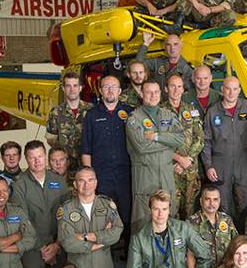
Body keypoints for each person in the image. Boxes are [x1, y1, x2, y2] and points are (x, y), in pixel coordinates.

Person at [10, 140, 67, 268]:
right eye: (32, 158)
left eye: (40, 156)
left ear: (46, 156)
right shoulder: (19, 185)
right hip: (33, 249)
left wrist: (57, 245)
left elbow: (67, 216)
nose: (37, 161)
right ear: (26, 159)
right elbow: (22, 221)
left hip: (58, 245)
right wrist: (43, 249)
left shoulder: (58, 181)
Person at [126, 80, 185, 233]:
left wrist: (157, 136)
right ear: (141, 94)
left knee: (169, 220)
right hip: (145, 177)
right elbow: (141, 146)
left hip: (166, 176)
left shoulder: (168, 115)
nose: (153, 95)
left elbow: (180, 138)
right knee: (142, 222)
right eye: (149, 92)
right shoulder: (134, 118)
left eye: (156, 92)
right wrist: (168, 142)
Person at [201, 76, 247, 219]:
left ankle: (245, 232)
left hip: (242, 160)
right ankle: (225, 232)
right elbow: (206, 141)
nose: (231, 92)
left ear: (239, 90)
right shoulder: (213, 112)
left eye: (234, 89)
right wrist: (208, 166)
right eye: (228, 88)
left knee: (246, 201)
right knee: (223, 204)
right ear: (222, 90)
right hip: (220, 163)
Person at [81, 75, 133, 231]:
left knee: (127, 217)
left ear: (120, 91)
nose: (110, 90)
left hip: (126, 175)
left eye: (114, 87)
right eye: (106, 87)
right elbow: (86, 148)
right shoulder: (91, 115)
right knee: (103, 219)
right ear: (101, 91)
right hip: (101, 176)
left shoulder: (130, 112)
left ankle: (128, 247)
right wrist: (90, 177)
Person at [164, 72, 203, 218]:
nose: (176, 90)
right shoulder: (159, 112)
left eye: (179, 86)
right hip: (169, 169)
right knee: (170, 211)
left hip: (190, 170)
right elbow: (157, 142)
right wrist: (178, 159)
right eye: (172, 86)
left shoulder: (191, 111)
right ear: (166, 89)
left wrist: (187, 159)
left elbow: (200, 138)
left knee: (190, 213)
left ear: (183, 89)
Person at [45, 72, 92, 182]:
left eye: (75, 85)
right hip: (65, 169)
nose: (72, 89)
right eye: (68, 86)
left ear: (80, 88)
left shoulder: (91, 110)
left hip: (87, 166)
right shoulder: (56, 113)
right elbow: (51, 140)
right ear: (63, 88)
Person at [188, 184, 238, 267]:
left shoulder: (226, 220)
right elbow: (189, 255)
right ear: (201, 201)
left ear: (219, 201)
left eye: (215, 199)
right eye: (207, 199)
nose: (211, 203)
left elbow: (236, 244)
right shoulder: (191, 223)